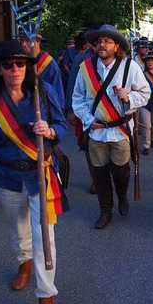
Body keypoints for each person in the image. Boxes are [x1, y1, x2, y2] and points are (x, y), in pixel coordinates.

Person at [0, 39, 68, 304]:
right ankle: (23, 261)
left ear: (28, 66)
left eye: (20, 63)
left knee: (45, 238)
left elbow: (63, 126)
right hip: (7, 177)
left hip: (41, 175)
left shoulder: (43, 92)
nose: (15, 69)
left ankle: (45, 300)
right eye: (7, 64)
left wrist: (50, 129)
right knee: (18, 230)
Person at [72, 24, 150, 229]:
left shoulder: (130, 67)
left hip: (120, 131)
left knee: (121, 172)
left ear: (117, 46)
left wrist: (129, 96)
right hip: (96, 132)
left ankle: (122, 196)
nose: (102, 44)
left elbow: (145, 93)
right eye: (99, 41)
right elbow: (77, 99)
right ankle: (105, 210)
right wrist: (88, 120)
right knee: (99, 174)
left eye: (107, 41)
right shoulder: (85, 68)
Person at [65, 30, 98, 193]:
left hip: (111, 113)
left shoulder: (120, 59)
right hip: (86, 110)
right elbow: (72, 84)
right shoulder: (81, 58)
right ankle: (96, 178)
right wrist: (70, 109)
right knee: (88, 145)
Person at [18, 31, 64, 102]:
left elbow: (58, 96)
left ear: (38, 41)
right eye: (21, 40)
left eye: (28, 40)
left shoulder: (50, 64)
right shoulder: (19, 63)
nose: (23, 44)